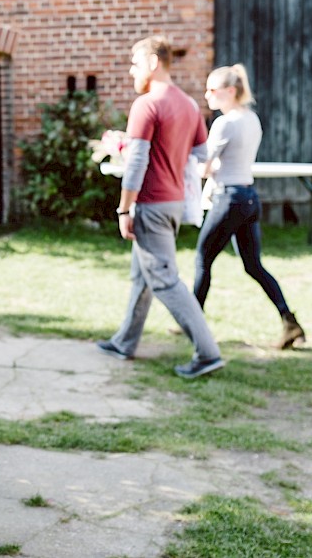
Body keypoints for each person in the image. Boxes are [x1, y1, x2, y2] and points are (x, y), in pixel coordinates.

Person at [96, 36, 224, 379]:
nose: (131, 70)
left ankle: (208, 353)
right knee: (142, 275)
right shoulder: (189, 105)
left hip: (151, 204)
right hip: (173, 202)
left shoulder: (147, 104)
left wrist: (124, 209)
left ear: (154, 62)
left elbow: (136, 163)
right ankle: (125, 341)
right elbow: (201, 159)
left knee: (166, 280)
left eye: (136, 63)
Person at [194, 64, 306, 349]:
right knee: (253, 265)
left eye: (212, 90)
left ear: (230, 92)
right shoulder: (252, 119)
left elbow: (204, 168)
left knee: (203, 259)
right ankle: (289, 320)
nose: (207, 95)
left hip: (228, 199)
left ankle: (192, 321)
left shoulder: (224, 123)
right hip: (249, 198)